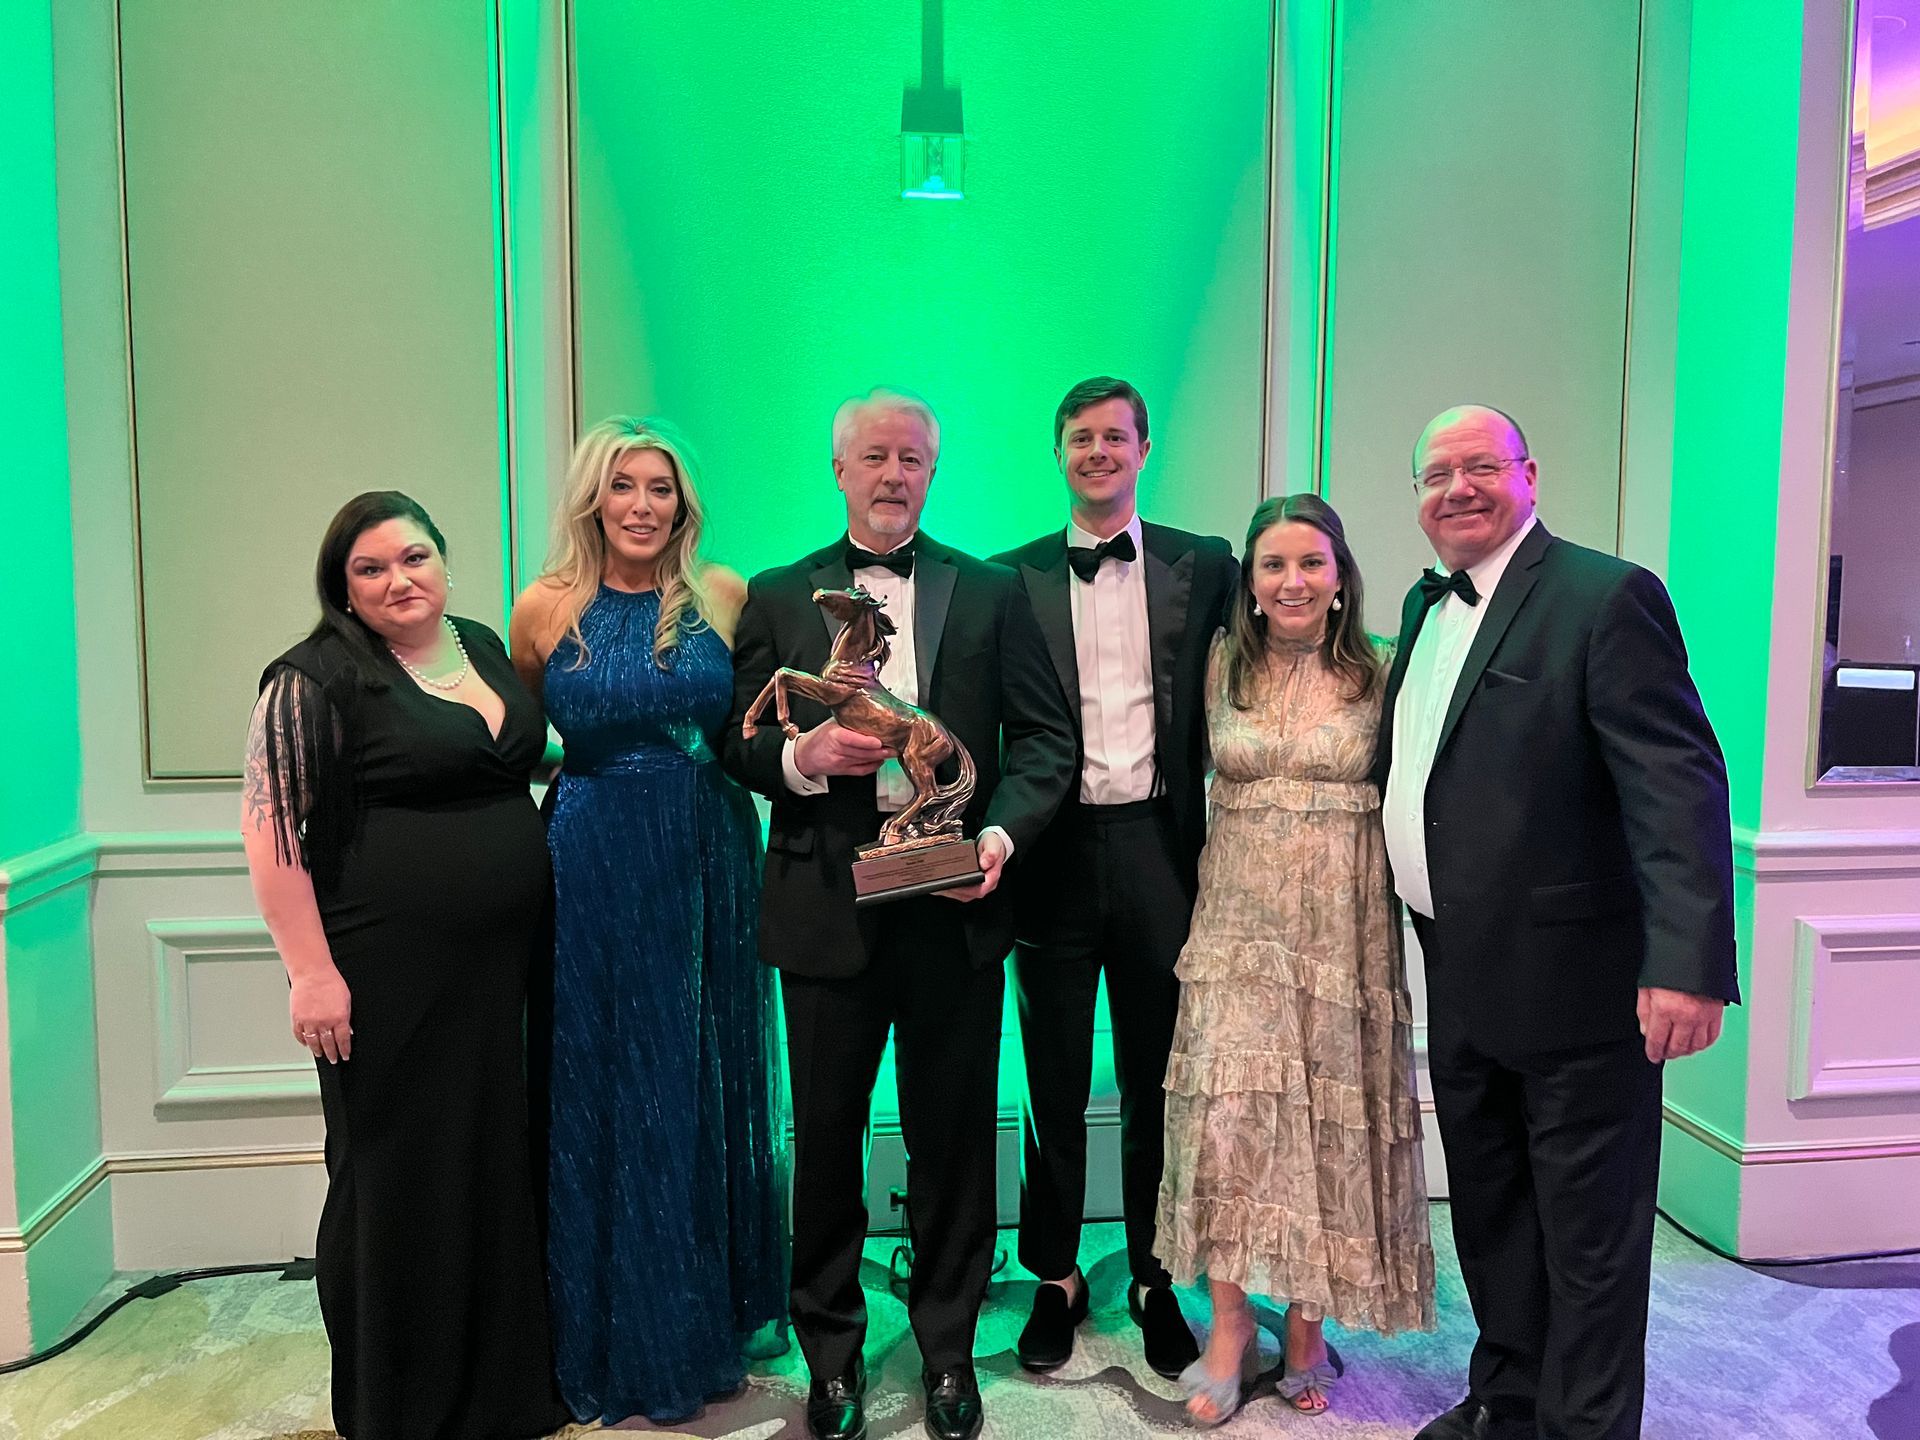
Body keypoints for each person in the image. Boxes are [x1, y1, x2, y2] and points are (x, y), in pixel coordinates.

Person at [1375, 405, 1738, 1440]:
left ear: (1530, 474)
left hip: (1580, 982)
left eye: (1481, 465)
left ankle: (1584, 1427)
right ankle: (1509, 1397)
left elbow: (1676, 784)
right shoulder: (1427, 602)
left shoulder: (1604, 595)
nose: (1458, 488)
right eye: (1435, 473)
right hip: (1461, 966)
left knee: (1589, 1234)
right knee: (1492, 1207)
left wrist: (1688, 962)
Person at [723, 387, 1076, 1440]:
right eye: (874, 456)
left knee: (954, 1140)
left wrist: (1000, 839)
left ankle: (948, 1352)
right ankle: (831, 1357)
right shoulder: (782, 595)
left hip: (954, 909)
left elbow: (1045, 742)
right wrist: (800, 756)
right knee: (826, 1140)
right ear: (838, 470)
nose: (893, 475)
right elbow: (736, 743)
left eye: (912, 458)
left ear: (933, 470)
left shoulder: (994, 588)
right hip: (825, 910)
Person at [241, 492, 569, 1440]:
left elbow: (517, 759)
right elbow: (272, 839)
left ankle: (500, 1393)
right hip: (385, 971)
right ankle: (403, 1407)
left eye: (414, 557)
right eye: (371, 569)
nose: (399, 581)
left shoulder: (477, 643)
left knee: (494, 1164)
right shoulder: (314, 680)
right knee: (396, 1177)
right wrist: (311, 974)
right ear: (341, 588)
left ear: (445, 562)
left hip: (507, 967)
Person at [508, 417, 787, 1425]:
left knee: (691, 1078)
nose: (641, 505)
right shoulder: (542, 608)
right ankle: (602, 1328)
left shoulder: (722, 593)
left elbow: (757, 721)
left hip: (704, 845)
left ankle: (694, 1320)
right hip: (586, 850)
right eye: (622, 486)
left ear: (682, 502)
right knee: (597, 1074)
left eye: (659, 488)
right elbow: (528, 735)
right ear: (593, 497)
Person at [1156, 494, 1435, 1426]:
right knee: (1228, 1126)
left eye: (1311, 563)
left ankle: (1308, 1322)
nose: (1292, 582)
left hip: (1343, 931)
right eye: (1273, 565)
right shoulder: (1219, 666)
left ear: (1341, 575)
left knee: (1330, 1130)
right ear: (1251, 579)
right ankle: (1231, 1326)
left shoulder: (1384, 673)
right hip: (1237, 921)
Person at [990, 376, 1235, 1381]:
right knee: (1049, 1074)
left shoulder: (1206, 564)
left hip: (1160, 848)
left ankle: (1153, 1272)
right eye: (1081, 439)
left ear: (1144, 449)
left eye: (1115, 438)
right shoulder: (1009, 577)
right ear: (1058, 453)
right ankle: (1054, 1274)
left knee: (1157, 1078)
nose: (1098, 453)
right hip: (1048, 851)